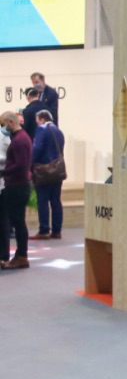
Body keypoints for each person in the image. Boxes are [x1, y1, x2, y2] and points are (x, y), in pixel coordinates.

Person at [1, 112, 33, 270]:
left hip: (18, 186)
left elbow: (21, 165)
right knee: (18, 221)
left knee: (18, 222)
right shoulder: (22, 138)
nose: (3, 128)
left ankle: (22, 256)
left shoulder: (19, 140)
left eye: (3, 124)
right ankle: (20, 255)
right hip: (19, 185)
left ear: (11, 122)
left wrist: (3, 172)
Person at [30, 110, 65, 240]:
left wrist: (30, 163)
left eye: (37, 120)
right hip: (57, 171)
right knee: (56, 201)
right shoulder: (59, 131)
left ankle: (44, 230)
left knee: (43, 200)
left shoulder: (42, 129)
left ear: (42, 119)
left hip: (44, 171)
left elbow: (36, 149)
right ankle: (57, 230)